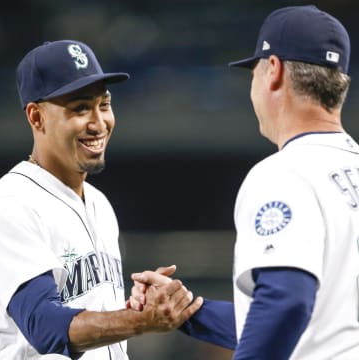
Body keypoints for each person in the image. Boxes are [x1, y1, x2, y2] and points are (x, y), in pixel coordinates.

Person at [129, 5, 359, 359]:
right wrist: (189, 310)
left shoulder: (285, 172)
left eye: (253, 73)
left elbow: (286, 302)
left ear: (273, 71)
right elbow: (314, 324)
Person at [0, 40, 203, 359]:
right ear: (36, 117)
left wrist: (138, 307)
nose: (98, 123)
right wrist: (139, 320)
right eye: (80, 108)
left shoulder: (100, 204)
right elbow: (44, 326)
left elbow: (92, 319)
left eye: (103, 105)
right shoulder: (11, 203)